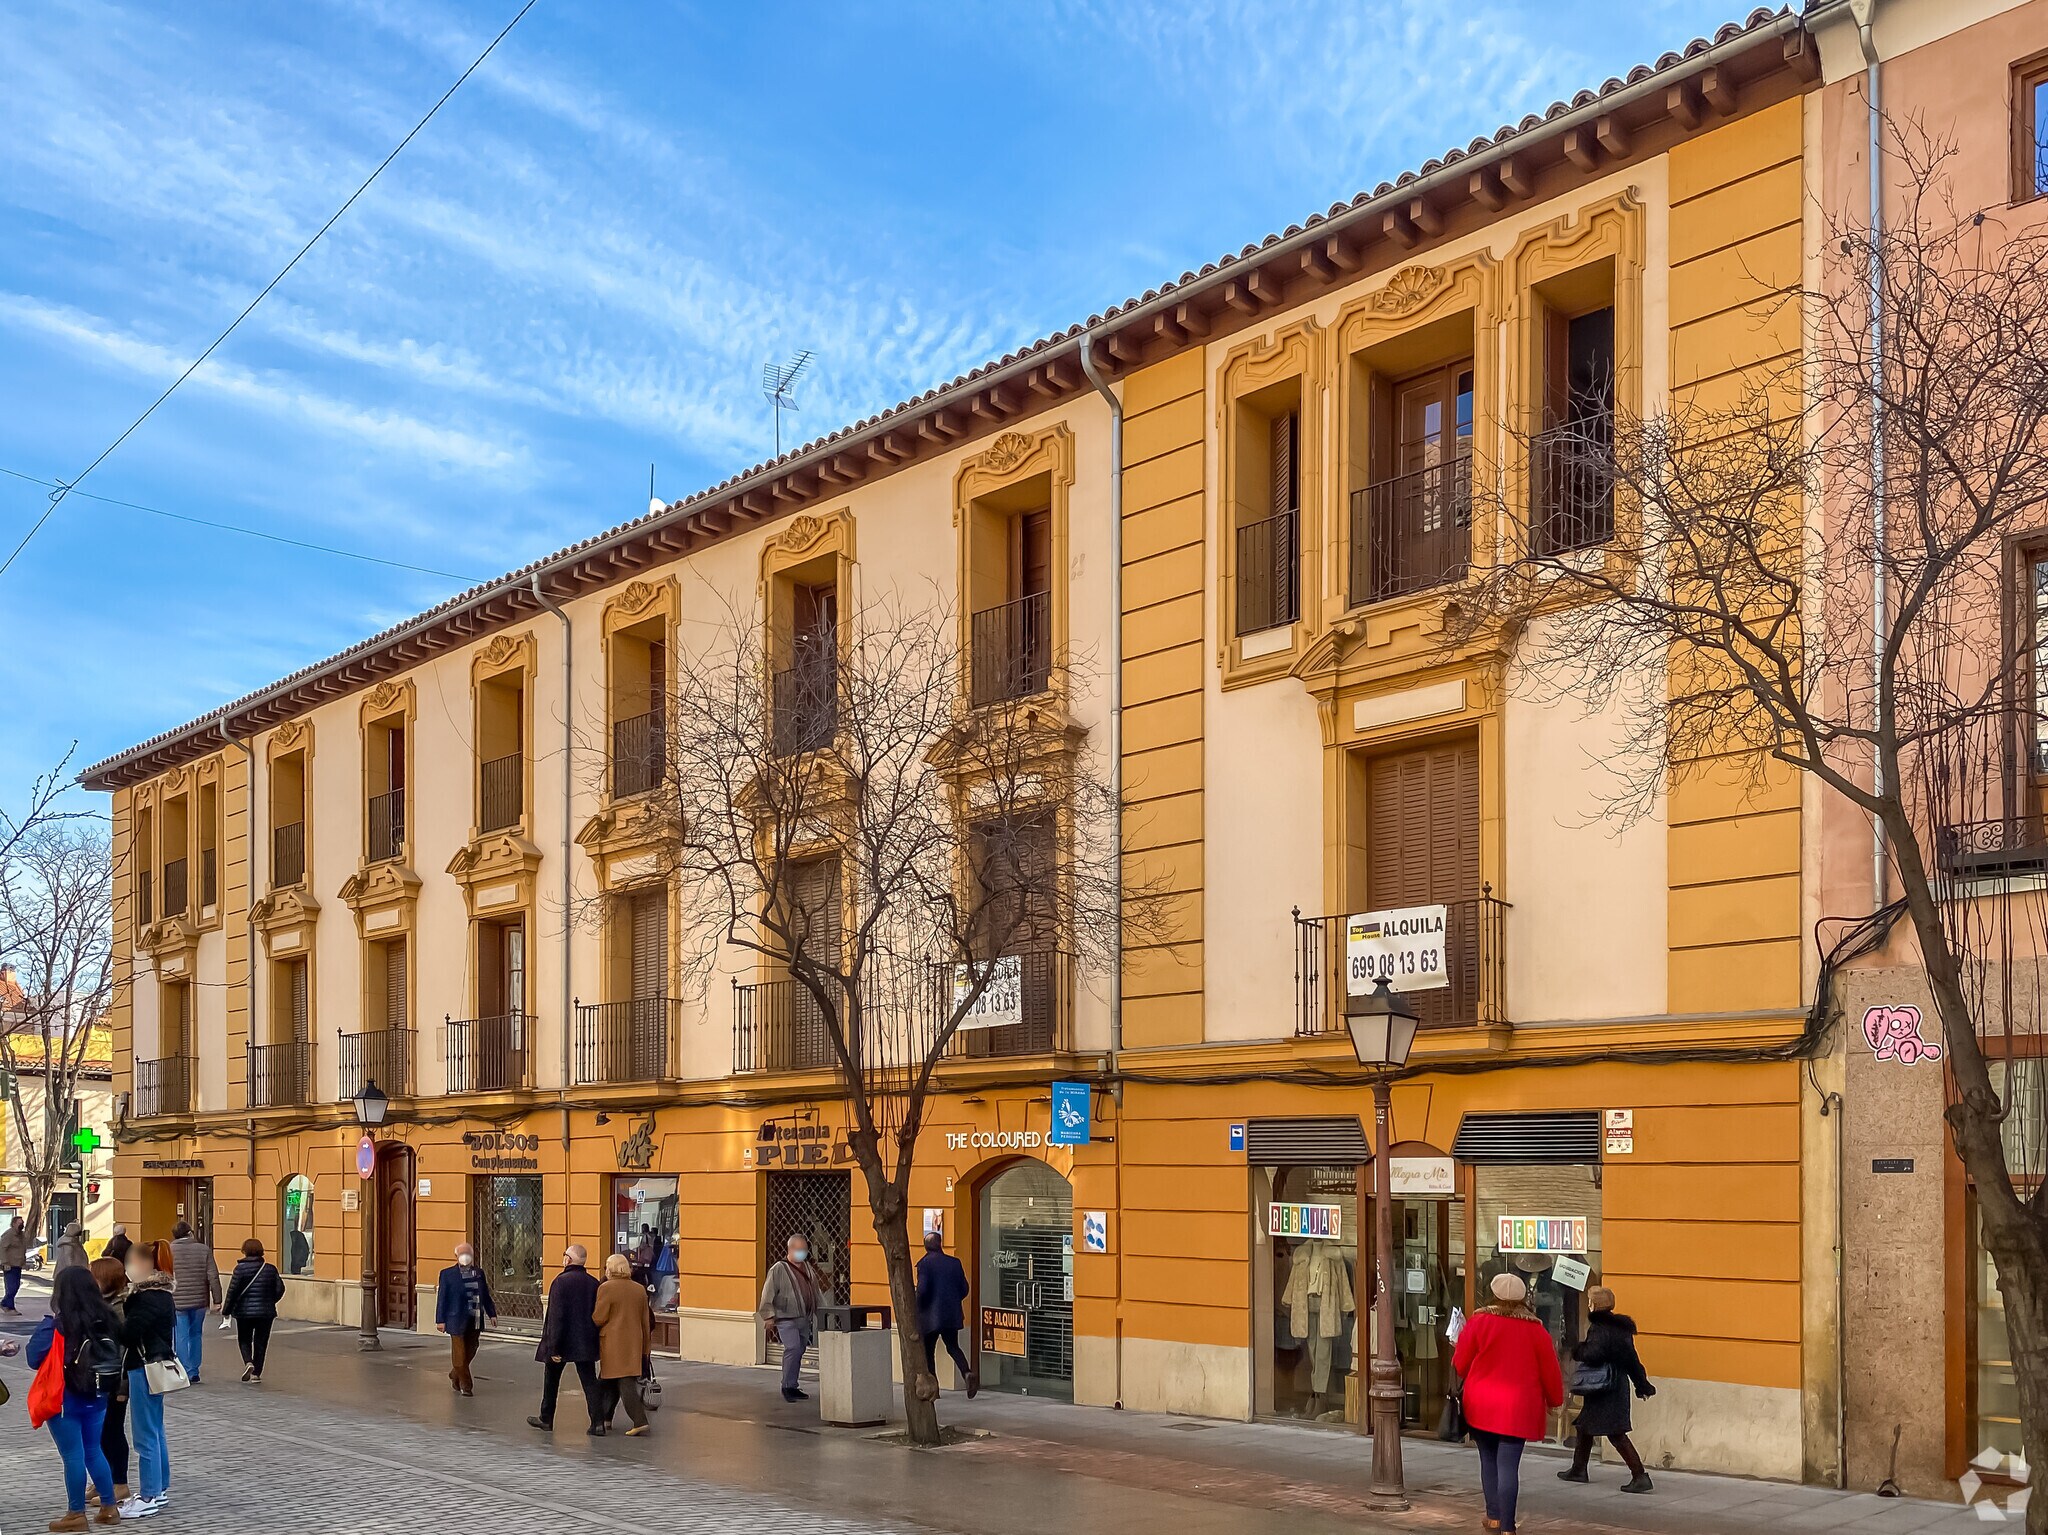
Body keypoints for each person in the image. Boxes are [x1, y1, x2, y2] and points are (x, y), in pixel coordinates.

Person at [1451, 1272, 1564, 1535]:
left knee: (1487, 1460)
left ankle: (1493, 1516)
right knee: (1508, 1466)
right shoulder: (1536, 1329)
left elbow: (1460, 1363)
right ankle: (1508, 1527)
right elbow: (1551, 1370)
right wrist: (1555, 1401)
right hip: (1518, 1408)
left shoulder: (1479, 1322)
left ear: (1493, 1293)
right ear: (1523, 1298)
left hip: (1481, 1404)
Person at [26, 1265, 124, 1530]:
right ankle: (109, 1507)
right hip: (99, 1394)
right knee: (93, 1450)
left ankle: (76, 1514)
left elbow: (33, 1358)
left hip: (66, 1398)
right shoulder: (108, 1318)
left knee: (72, 1455)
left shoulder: (58, 1324)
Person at [1559, 1286, 1656, 1493]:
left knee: (1616, 1433)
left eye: (1590, 1301)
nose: (1588, 1304)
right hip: (1614, 1385)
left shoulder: (1600, 1327)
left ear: (1595, 1305)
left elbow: (1594, 1353)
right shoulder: (1621, 1329)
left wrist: (1578, 1349)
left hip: (1604, 1387)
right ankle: (1578, 1469)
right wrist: (1642, 1385)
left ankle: (1640, 1476)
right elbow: (1632, 1360)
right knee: (1585, 1426)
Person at [116, 1239, 177, 1520]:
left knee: (145, 1435)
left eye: (132, 1261)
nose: (128, 1267)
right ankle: (160, 1489)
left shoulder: (146, 1296)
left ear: (145, 1264)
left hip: (143, 1368)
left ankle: (150, 1494)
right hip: (153, 1365)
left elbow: (128, 1334)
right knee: (155, 1429)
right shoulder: (162, 1294)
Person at [527, 1244, 602, 1435]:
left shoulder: (560, 1282)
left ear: (568, 1260)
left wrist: (553, 1347)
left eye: (564, 1255)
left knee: (551, 1380)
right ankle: (598, 1422)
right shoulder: (593, 1283)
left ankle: (546, 1418)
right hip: (585, 1340)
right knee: (589, 1381)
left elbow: (556, 1317)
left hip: (561, 1341)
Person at [758, 1232, 824, 1404]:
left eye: (805, 1249)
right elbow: (767, 1292)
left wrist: (823, 1312)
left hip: (804, 1317)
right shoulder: (778, 1268)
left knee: (800, 1349)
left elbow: (816, 1293)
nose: (803, 1252)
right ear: (791, 1248)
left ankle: (793, 1385)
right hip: (785, 1317)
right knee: (793, 1348)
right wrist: (768, 1316)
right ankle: (787, 1386)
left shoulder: (808, 1268)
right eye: (799, 1249)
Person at [88, 1258, 132, 1509]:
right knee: (100, 1432)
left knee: (112, 1431)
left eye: (95, 1277)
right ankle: (102, 1479)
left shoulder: (120, 1307)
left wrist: (123, 1387)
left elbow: (126, 1350)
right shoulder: (104, 1303)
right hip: (101, 1377)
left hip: (116, 1380)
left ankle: (119, 1483)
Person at [593, 1252, 652, 1435]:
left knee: (623, 1382)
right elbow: (645, 1321)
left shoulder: (606, 1288)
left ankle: (639, 1420)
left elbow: (599, 1318)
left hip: (613, 1343)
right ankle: (605, 1418)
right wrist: (646, 1348)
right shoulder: (639, 1289)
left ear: (610, 1269)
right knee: (609, 1381)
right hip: (634, 1342)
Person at [914, 1230, 977, 1396]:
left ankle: (934, 1388)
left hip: (930, 1317)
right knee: (953, 1347)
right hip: (951, 1314)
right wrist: (952, 1301)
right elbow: (964, 1289)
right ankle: (966, 1372)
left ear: (925, 1246)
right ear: (940, 1244)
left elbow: (923, 1290)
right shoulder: (954, 1263)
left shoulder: (925, 1264)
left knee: (928, 1352)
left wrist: (917, 1306)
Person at [434, 1241, 495, 1396]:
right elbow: (442, 1298)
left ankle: (455, 1374)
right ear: (456, 1256)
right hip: (455, 1318)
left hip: (475, 1318)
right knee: (459, 1354)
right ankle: (466, 1386)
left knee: (472, 1349)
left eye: (468, 1253)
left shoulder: (479, 1273)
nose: (466, 1257)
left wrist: (492, 1313)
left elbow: (485, 1295)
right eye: (462, 1254)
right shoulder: (447, 1274)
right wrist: (440, 1320)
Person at [221, 1239, 285, 1384]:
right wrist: (270, 1300)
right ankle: (256, 1373)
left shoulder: (240, 1269)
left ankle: (248, 1362)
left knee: (244, 1339)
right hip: (266, 1312)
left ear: (244, 1251)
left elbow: (233, 1292)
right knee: (261, 1341)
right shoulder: (270, 1268)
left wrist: (227, 1311)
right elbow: (280, 1288)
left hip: (244, 1312)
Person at [167, 1220, 220, 1385]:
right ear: (190, 1233)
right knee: (196, 1334)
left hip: (177, 1300)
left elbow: (163, 1275)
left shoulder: (168, 1250)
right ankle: (194, 1371)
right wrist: (217, 1299)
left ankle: (184, 1370)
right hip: (199, 1300)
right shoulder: (203, 1249)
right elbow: (213, 1275)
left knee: (180, 1335)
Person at [1, 1213, 28, 1312]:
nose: (22, 1224)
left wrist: (24, 1262)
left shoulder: (22, 1235)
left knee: (16, 1286)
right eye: (19, 1222)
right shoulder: (8, 1235)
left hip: (18, 1264)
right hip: (10, 1265)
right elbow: (2, 1249)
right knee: (11, 1287)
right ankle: (8, 1306)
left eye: (22, 1222)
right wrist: (4, 1262)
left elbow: (23, 1250)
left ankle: (6, 1304)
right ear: (13, 1224)